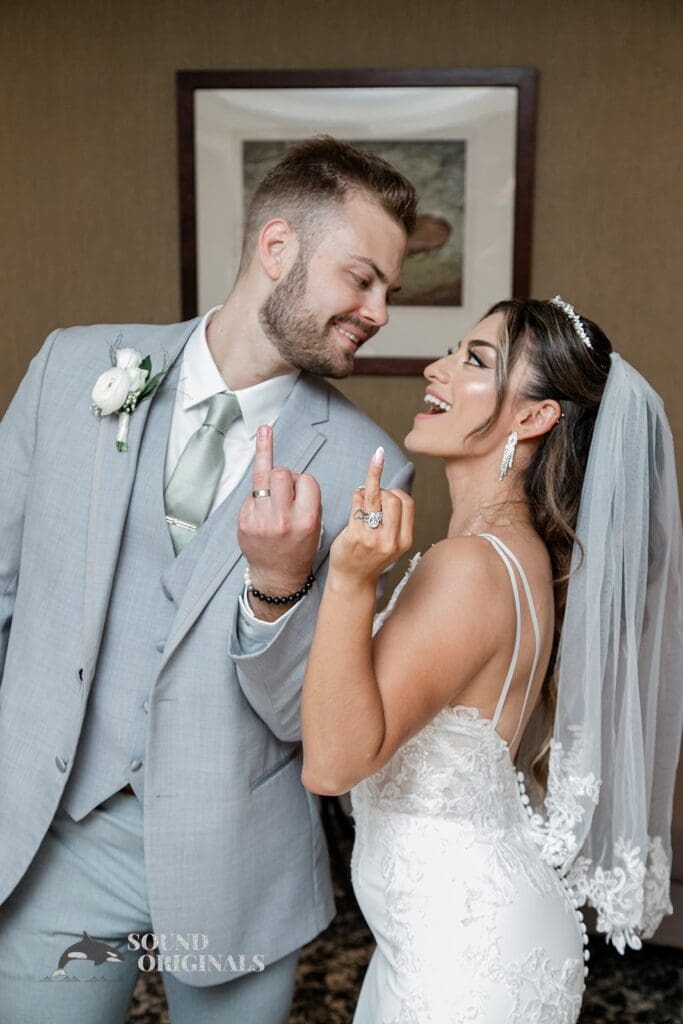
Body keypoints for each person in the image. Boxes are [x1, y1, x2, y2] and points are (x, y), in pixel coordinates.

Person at [0, 137, 416, 1023]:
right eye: (362, 279)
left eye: (389, 289)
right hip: (49, 838)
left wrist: (277, 587)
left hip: (236, 858)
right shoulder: (75, 367)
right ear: (277, 249)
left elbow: (309, 719)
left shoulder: (362, 468)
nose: (379, 311)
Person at [300, 297, 683, 1023]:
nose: (434, 369)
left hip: (461, 959)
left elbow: (330, 763)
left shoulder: (469, 566)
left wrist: (348, 581)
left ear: (534, 417)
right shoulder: (518, 554)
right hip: (458, 935)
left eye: (474, 360)